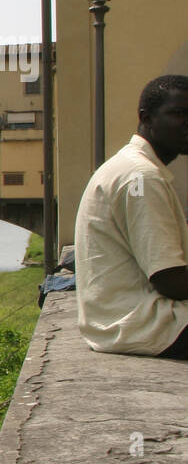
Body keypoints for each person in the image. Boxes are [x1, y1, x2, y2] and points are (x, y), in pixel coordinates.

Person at [75, 72, 188, 357]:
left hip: (119, 321)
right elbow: (169, 280)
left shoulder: (134, 167)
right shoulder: (142, 176)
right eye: (178, 113)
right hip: (147, 325)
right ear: (146, 118)